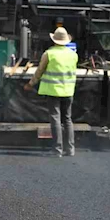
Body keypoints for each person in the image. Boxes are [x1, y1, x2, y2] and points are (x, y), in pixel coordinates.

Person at [24, 26, 78, 157]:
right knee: (67, 119)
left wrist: (30, 84)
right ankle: (70, 149)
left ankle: (57, 149)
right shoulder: (73, 55)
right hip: (68, 91)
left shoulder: (49, 54)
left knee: (55, 119)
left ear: (54, 40)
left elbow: (39, 72)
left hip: (53, 91)